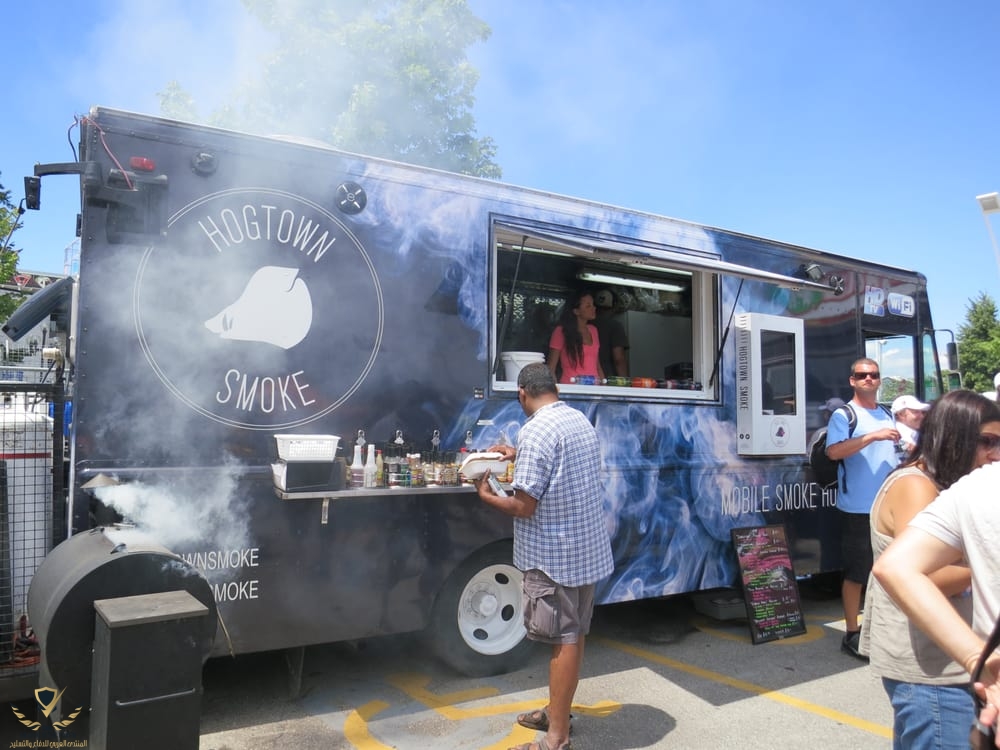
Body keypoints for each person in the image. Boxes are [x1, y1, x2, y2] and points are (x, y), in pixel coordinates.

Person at [475, 362, 614, 750]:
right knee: (574, 635)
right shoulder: (578, 420)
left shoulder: (535, 430)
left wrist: (487, 496)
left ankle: (556, 738)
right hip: (584, 551)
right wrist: (517, 453)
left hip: (554, 557)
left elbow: (524, 506)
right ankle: (556, 712)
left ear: (522, 393)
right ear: (554, 388)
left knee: (564, 639)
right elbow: (561, 464)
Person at [860, 390, 1000, 749]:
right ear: (954, 437)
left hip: (944, 663)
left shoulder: (943, 484)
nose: (995, 453)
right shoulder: (916, 485)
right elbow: (929, 577)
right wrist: (985, 560)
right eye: (987, 441)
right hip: (931, 670)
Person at [824, 357, 899, 659]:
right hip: (857, 508)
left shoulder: (888, 413)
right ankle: (852, 633)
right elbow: (833, 452)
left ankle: (880, 630)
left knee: (887, 572)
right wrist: (872, 437)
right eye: (862, 375)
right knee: (857, 573)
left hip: (888, 508)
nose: (869, 379)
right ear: (852, 381)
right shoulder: (845, 415)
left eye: (874, 375)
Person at [547, 291, 604, 384]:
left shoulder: (593, 330)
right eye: (588, 306)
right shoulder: (561, 331)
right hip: (571, 387)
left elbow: (597, 366)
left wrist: (604, 387)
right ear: (576, 311)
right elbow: (551, 368)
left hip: (594, 388)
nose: (594, 308)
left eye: (593, 304)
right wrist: (553, 390)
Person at [592, 289, 628, 378]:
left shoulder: (585, 323)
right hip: (608, 378)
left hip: (587, 377)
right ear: (614, 306)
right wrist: (625, 381)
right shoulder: (615, 326)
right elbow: (619, 359)